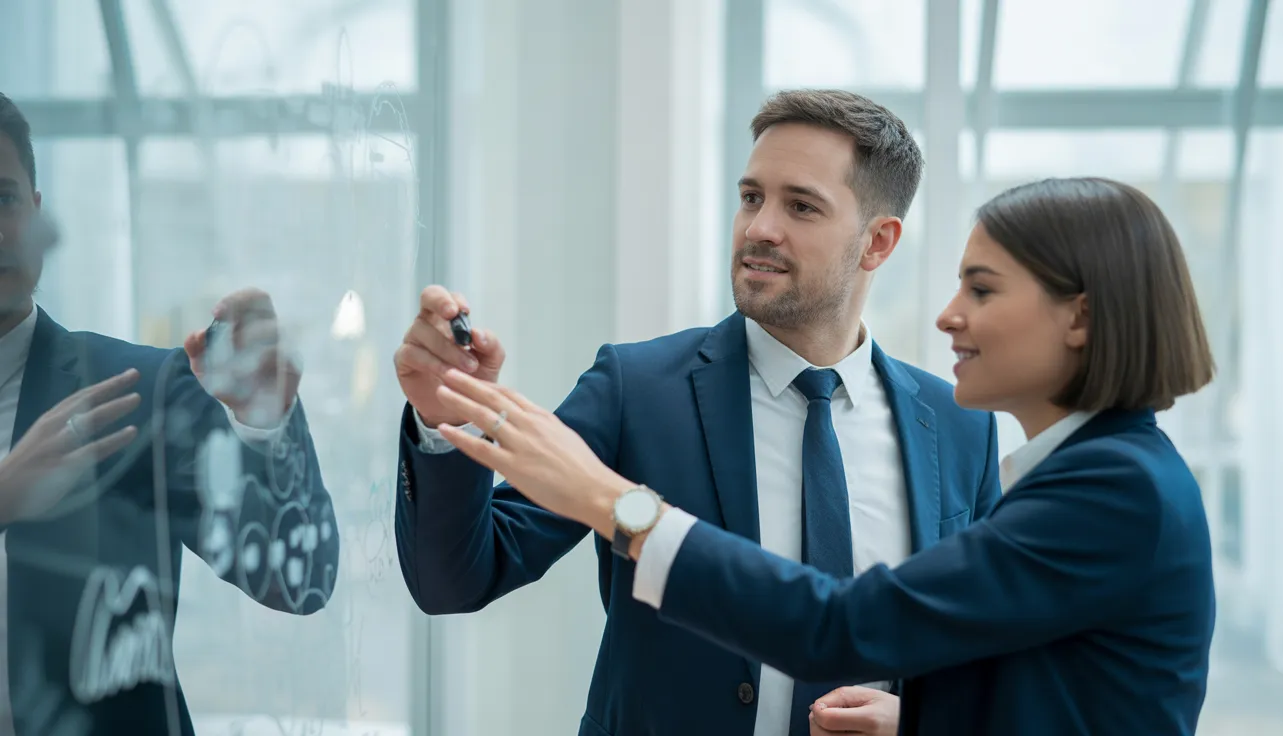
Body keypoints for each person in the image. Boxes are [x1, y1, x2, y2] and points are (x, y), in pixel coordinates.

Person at [432, 175, 1218, 736]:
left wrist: (613, 503)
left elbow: (841, 625)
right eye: (750, 197)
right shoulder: (637, 385)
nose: (948, 316)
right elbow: (1051, 696)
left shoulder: (1102, 486)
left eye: (982, 290)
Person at [393, 89, 1001, 736]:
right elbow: (454, 582)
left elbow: (985, 652)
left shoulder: (960, 424)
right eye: (750, 197)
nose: (760, 227)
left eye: (800, 206)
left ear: (877, 243)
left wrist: (921, 720)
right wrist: (441, 422)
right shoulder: (638, 389)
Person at [0, 93, 339, 735]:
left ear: (37, 212)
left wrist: (264, 422)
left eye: (3, 198)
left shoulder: (135, 391)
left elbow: (299, 581)